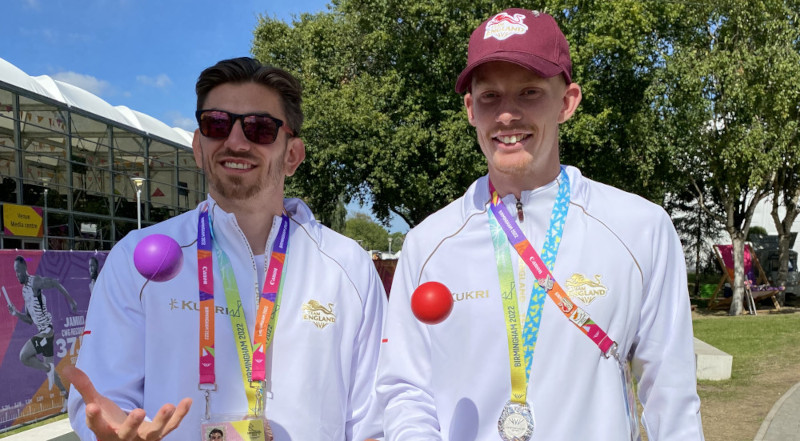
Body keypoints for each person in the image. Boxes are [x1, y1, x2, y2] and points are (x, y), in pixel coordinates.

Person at [377, 9, 704, 441]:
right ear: (471, 109)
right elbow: (404, 388)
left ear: (567, 102)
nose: (508, 115)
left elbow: (671, 391)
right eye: (490, 96)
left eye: (529, 92)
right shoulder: (428, 243)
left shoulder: (640, 227)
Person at [67, 57, 386, 441]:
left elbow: (371, 421)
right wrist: (111, 432)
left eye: (260, 128)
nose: (236, 141)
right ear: (198, 146)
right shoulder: (135, 260)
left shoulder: (347, 265)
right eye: (216, 124)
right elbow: (105, 402)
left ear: (292, 155)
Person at [7, 255, 78, 411]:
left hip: (47, 332)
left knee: (24, 356)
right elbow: (29, 320)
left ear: (25, 268)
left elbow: (55, 283)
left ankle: (47, 369)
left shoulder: (35, 282)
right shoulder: (25, 290)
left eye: (19, 271)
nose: (17, 274)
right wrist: (16, 313)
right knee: (52, 370)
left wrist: (71, 301)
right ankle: (67, 397)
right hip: (43, 332)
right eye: (15, 272)